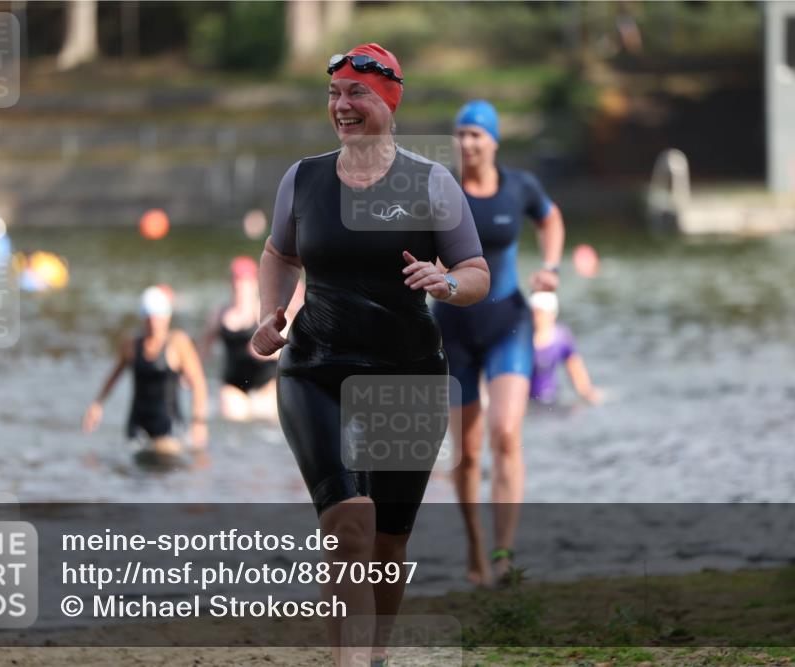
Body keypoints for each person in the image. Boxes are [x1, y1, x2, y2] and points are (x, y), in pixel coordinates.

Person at [251, 44, 490, 667]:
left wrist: (447, 284)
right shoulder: (303, 178)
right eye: (334, 95)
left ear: (388, 100)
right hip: (315, 369)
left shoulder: (431, 182)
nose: (342, 106)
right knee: (348, 524)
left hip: (407, 375)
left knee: (386, 543)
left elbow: (475, 271)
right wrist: (268, 315)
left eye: (355, 93)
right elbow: (279, 253)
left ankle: (373, 656)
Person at [434, 100, 565, 586]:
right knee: (466, 452)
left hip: (508, 321)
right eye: (461, 134)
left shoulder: (519, 187)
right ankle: (474, 545)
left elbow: (550, 220)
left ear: (494, 141)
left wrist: (550, 267)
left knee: (506, 434)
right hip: (452, 328)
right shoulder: (440, 190)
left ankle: (505, 551)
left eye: (476, 135)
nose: (467, 144)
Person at [83, 286, 209, 459]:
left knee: (166, 462)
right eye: (149, 317)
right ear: (143, 318)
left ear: (167, 317)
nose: (153, 323)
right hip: (137, 425)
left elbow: (198, 383)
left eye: (158, 317)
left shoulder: (178, 343)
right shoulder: (132, 345)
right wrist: (97, 404)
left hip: (168, 427)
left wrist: (198, 421)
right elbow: (113, 376)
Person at [199, 256, 288, 422]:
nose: (240, 287)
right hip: (233, 386)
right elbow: (204, 348)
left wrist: (265, 352)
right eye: (237, 282)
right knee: (232, 414)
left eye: (244, 282)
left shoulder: (268, 314)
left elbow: (292, 350)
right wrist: (191, 375)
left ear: (254, 283)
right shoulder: (220, 315)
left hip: (265, 385)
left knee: (266, 413)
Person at [530, 291, 599, 405]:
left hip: (553, 400)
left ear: (552, 314)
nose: (537, 318)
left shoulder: (561, 338)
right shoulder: (522, 340)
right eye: (533, 313)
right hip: (528, 404)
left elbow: (576, 373)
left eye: (540, 313)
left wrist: (588, 394)